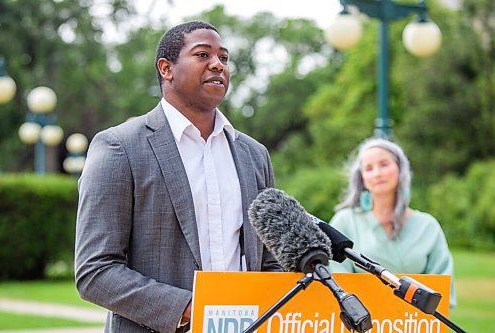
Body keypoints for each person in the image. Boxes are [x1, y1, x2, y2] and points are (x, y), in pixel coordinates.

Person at [74, 21, 281, 333]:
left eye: (224, 58)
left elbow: (269, 260)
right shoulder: (119, 147)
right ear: (166, 69)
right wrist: (192, 309)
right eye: (202, 55)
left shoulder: (253, 154)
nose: (217, 65)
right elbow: (95, 271)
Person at [328, 137, 456, 307]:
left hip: (416, 323)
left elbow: (442, 289)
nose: (377, 173)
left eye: (384, 164)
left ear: (400, 169)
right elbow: (337, 283)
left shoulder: (428, 226)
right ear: (362, 178)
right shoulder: (345, 221)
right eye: (369, 168)